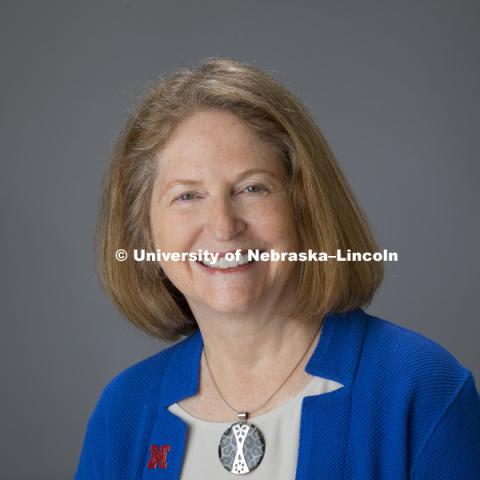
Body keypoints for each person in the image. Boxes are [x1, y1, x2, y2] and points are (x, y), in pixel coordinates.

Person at [75, 58, 480, 479]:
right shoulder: (123, 412)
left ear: (304, 205)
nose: (223, 226)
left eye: (252, 188)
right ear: (144, 229)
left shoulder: (421, 390)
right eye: (187, 196)